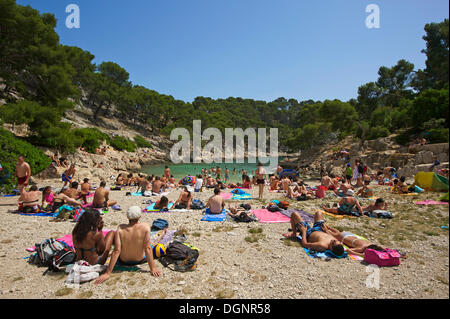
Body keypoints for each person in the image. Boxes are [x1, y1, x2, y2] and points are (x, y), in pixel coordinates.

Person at [94, 206, 162, 284]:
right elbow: (147, 248)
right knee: (151, 245)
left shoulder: (120, 228)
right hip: (139, 259)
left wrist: (108, 273)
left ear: (127, 216)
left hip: (124, 261)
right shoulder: (145, 227)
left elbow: (117, 251)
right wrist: (153, 268)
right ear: (140, 216)